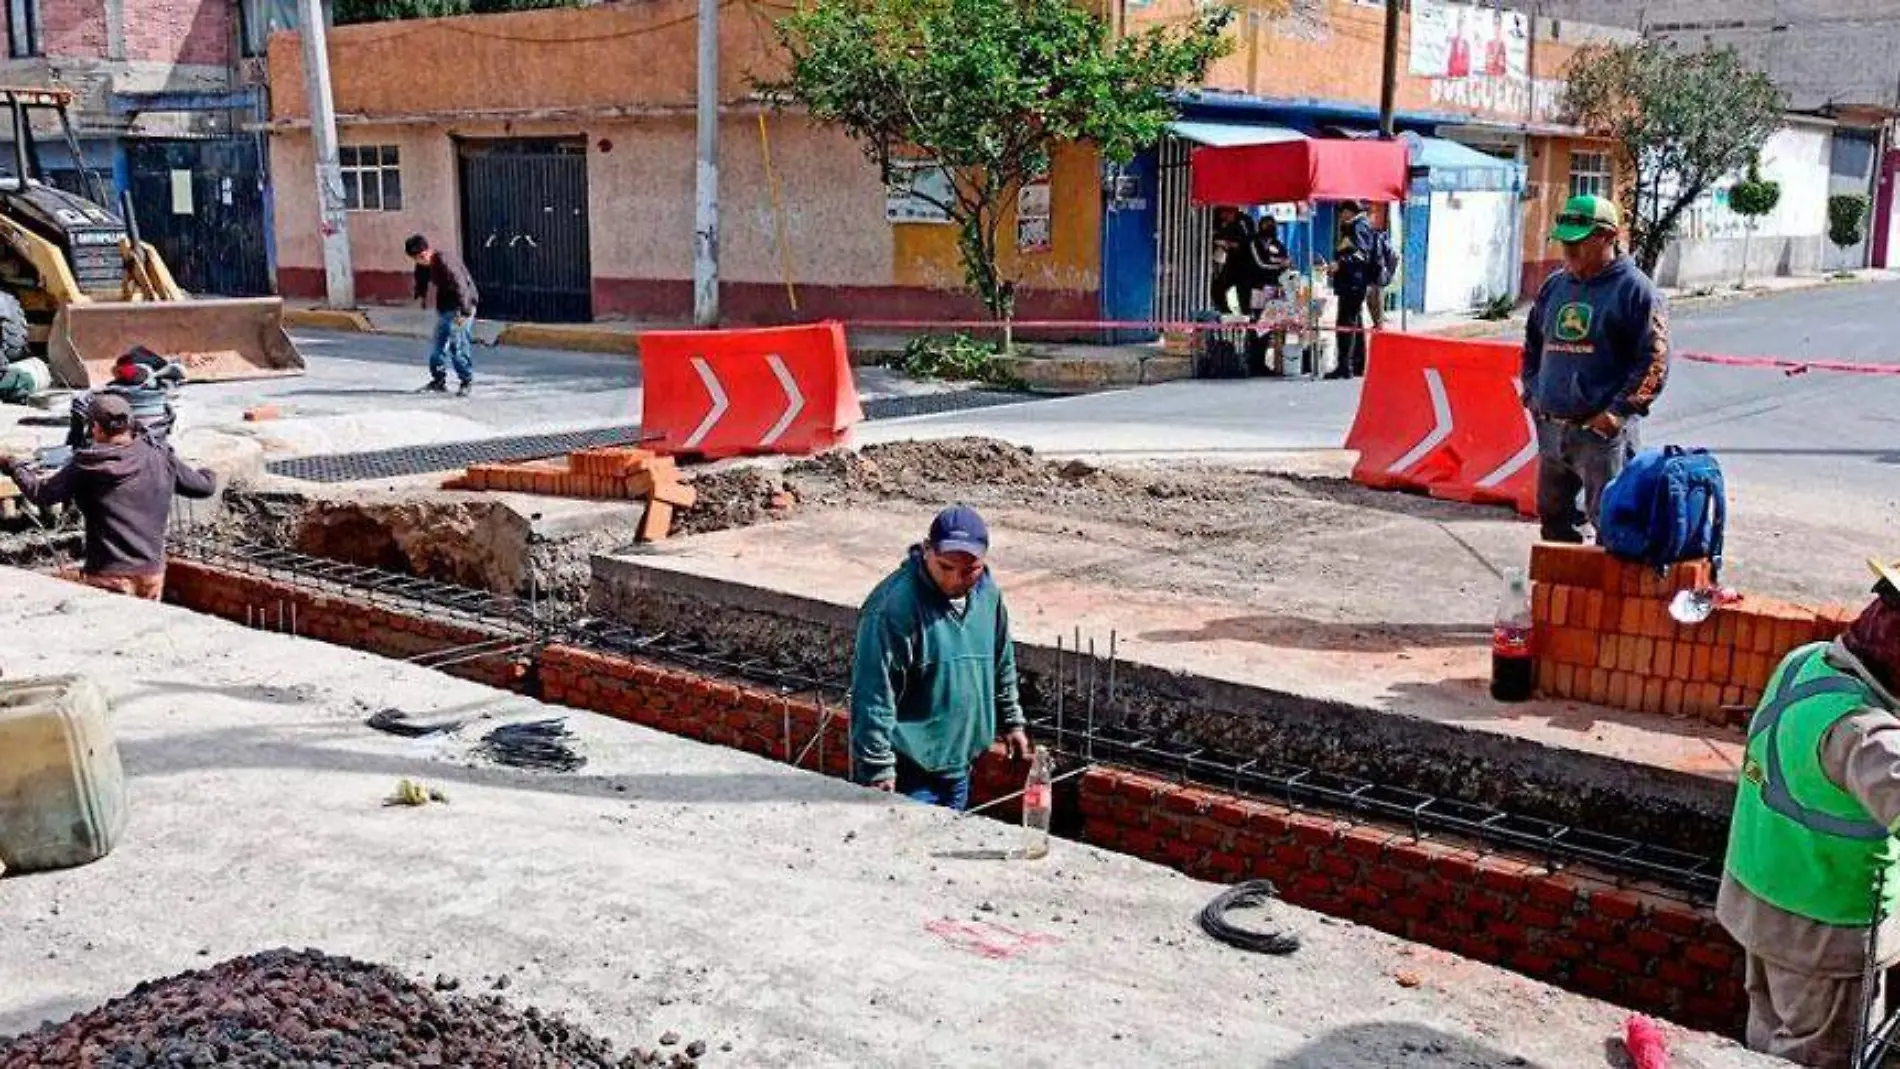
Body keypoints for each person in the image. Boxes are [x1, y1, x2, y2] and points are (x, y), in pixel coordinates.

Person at [1719, 557, 1900, 1068]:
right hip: (1823, 936)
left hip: (1758, 905)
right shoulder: (1869, 738)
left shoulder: (1806, 660)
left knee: (1766, 1043)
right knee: (1818, 1058)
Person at [850, 505, 1031, 810]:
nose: (955, 580)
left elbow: (1001, 662)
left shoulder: (988, 597)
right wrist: (877, 769)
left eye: (969, 570)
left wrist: (1011, 721)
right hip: (909, 771)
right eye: (946, 567)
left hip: (960, 764)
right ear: (926, 550)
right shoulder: (894, 609)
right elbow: (873, 695)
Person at [1521, 194, 1670, 543]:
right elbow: (1532, 344)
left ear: (1608, 236)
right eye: (1564, 242)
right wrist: (1533, 392)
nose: (1568, 250)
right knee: (1553, 518)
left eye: (1578, 242)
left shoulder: (1636, 291)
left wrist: (1617, 414)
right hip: (1553, 430)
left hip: (1602, 438)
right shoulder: (1556, 286)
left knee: (1612, 526)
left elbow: (1655, 361)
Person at [1, 393, 216, 600]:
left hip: (108, 575)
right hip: (151, 573)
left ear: (95, 428)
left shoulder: (87, 464)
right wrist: (209, 471)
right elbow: (204, 488)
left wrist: (12, 464)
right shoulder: (159, 456)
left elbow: (41, 493)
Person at [68, 346, 184, 450]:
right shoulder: (160, 389)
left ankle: (78, 443)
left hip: (124, 437)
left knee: (84, 403)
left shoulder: (115, 389)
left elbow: (80, 402)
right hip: (155, 437)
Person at [405, 233, 479, 397]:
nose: (419, 261)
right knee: (437, 348)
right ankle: (438, 380)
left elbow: (461, 285)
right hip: (446, 307)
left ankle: (466, 381)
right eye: (416, 259)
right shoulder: (423, 264)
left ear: (426, 252)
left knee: (457, 346)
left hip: (462, 307)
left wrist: (464, 312)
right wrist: (421, 296)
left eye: (420, 257)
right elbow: (421, 280)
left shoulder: (444, 260)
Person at [1328, 201, 1378, 380]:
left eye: (1342, 212)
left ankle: (1345, 365)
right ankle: (1356, 364)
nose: (1341, 216)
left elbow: (1361, 255)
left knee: (1345, 323)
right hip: (1351, 282)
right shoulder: (1357, 226)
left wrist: (1340, 264)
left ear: (1349, 212)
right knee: (1354, 324)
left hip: (1353, 283)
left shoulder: (1358, 227)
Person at [1210, 207, 1259, 315]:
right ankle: (1227, 314)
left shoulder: (1243, 221)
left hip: (1246, 265)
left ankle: (1249, 325)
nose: (1224, 218)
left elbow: (1248, 242)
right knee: (1217, 288)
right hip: (1232, 263)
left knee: (1244, 298)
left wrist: (1229, 244)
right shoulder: (1226, 224)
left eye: (1225, 215)